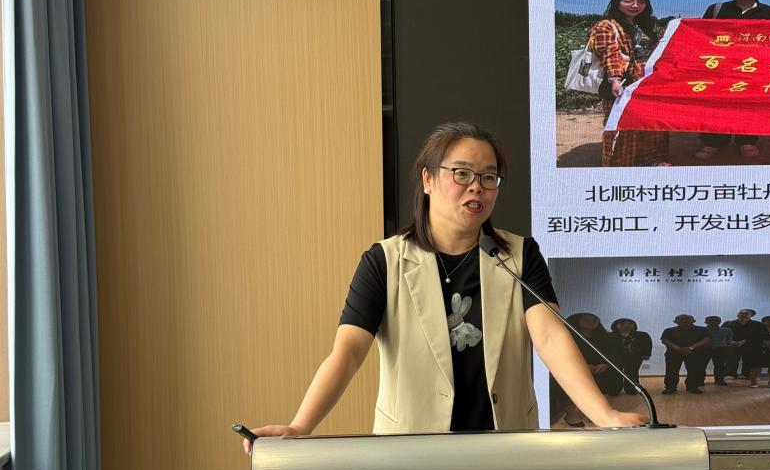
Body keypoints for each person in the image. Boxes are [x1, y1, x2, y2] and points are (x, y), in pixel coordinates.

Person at [243, 122, 645, 451]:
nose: (476, 187)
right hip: (411, 453)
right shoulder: (384, 261)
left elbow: (551, 338)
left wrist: (604, 414)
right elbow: (347, 352)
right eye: (462, 173)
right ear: (429, 179)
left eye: (489, 177)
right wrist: (300, 426)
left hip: (505, 449)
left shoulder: (519, 255)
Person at [696, 0, 770, 161]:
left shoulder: (769, 12)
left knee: (750, 104)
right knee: (716, 105)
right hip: (721, 66)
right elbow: (703, 34)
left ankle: (747, 141)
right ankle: (712, 142)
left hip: (753, 67)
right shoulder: (717, 9)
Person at [590, 0, 670, 166]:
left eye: (640, 2)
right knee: (623, 125)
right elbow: (610, 53)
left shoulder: (644, 26)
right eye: (629, 1)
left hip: (648, 83)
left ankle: (651, 160)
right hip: (624, 82)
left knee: (651, 124)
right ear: (617, 3)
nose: (635, 5)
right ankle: (619, 165)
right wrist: (615, 79)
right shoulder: (606, 26)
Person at [559, 313, 624, 426]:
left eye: (595, 319)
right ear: (576, 321)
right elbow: (563, 355)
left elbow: (615, 354)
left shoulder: (607, 337)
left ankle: (593, 411)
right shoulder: (567, 336)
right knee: (564, 380)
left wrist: (606, 364)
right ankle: (571, 413)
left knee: (604, 379)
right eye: (587, 319)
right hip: (575, 368)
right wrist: (584, 366)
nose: (592, 321)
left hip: (601, 368)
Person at [660, 314, 710, 394]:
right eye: (681, 320)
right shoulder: (669, 330)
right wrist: (679, 349)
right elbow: (665, 340)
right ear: (675, 321)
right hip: (673, 353)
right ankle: (670, 387)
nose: (684, 321)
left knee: (694, 370)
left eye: (687, 319)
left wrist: (691, 348)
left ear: (693, 321)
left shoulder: (702, 330)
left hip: (695, 353)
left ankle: (692, 386)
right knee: (671, 371)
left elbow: (706, 339)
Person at [609, 317, 653, 395]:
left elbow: (647, 344)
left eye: (629, 323)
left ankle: (631, 389)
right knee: (615, 373)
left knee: (632, 373)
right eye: (622, 323)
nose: (626, 325)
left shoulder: (642, 335)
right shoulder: (610, 336)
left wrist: (647, 354)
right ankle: (615, 389)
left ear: (634, 325)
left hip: (635, 357)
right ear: (615, 325)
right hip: (616, 357)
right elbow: (606, 346)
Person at [722, 308, 763, 380]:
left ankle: (747, 374)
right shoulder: (728, 323)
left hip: (750, 345)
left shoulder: (758, 324)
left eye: (746, 313)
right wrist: (731, 341)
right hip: (732, 345)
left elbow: (759, 336)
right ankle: (730, 374)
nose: (743, 314)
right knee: (731, 359)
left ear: (751, 315)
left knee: (749, 360)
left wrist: (744, 341)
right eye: (741, 313)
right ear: (737, 314)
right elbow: (722, 334)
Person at [702, 315, 734, 386]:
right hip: (705, 349)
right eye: (711, 320)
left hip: (721, 349)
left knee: (720, 366)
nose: (713, 322)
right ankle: (700, 380)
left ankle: (719, 380)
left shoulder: (727, 330)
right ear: (706, 322)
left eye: (716, 320)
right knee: (702, 365)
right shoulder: (701, 330)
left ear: (720, 322)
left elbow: (729, 340)